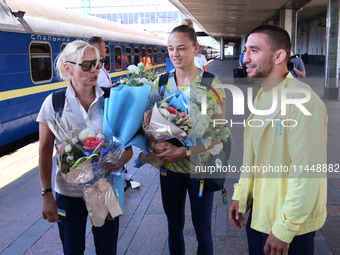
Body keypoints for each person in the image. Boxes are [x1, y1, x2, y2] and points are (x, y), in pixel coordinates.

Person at [228, 25, 327, 255]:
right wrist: (241, 195)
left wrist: (285, 227)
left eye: (254, 50)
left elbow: (306, 171)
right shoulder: (264, 95)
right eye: (245, 51)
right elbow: (253, 157)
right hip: (261, 213)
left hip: (289, 224)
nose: (244, 59)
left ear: (279, 56)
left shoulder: (304, 103)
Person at [37, 40, 133, 255]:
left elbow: (128, 148)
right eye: (87, 65)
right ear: (68, 68)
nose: (95, 70)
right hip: (68, 193)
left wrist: (121, 159)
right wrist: (46, 194)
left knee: (107, 250)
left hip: (105, 189)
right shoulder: (54, 103)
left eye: (98, 64)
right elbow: (44, 152)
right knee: (72, 250)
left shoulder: (111, 99)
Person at [148, 24, 226, 255]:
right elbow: (149, 128)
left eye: (181, 48)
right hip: (169, 169)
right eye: (171, 48)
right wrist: (155, 145)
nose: (175, 54)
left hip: (200, 169)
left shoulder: (211, 84)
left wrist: (184, 152)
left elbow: (219, 134)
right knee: (174, 227)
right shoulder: (160, 84)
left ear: (195, 48)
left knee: (203, 228)